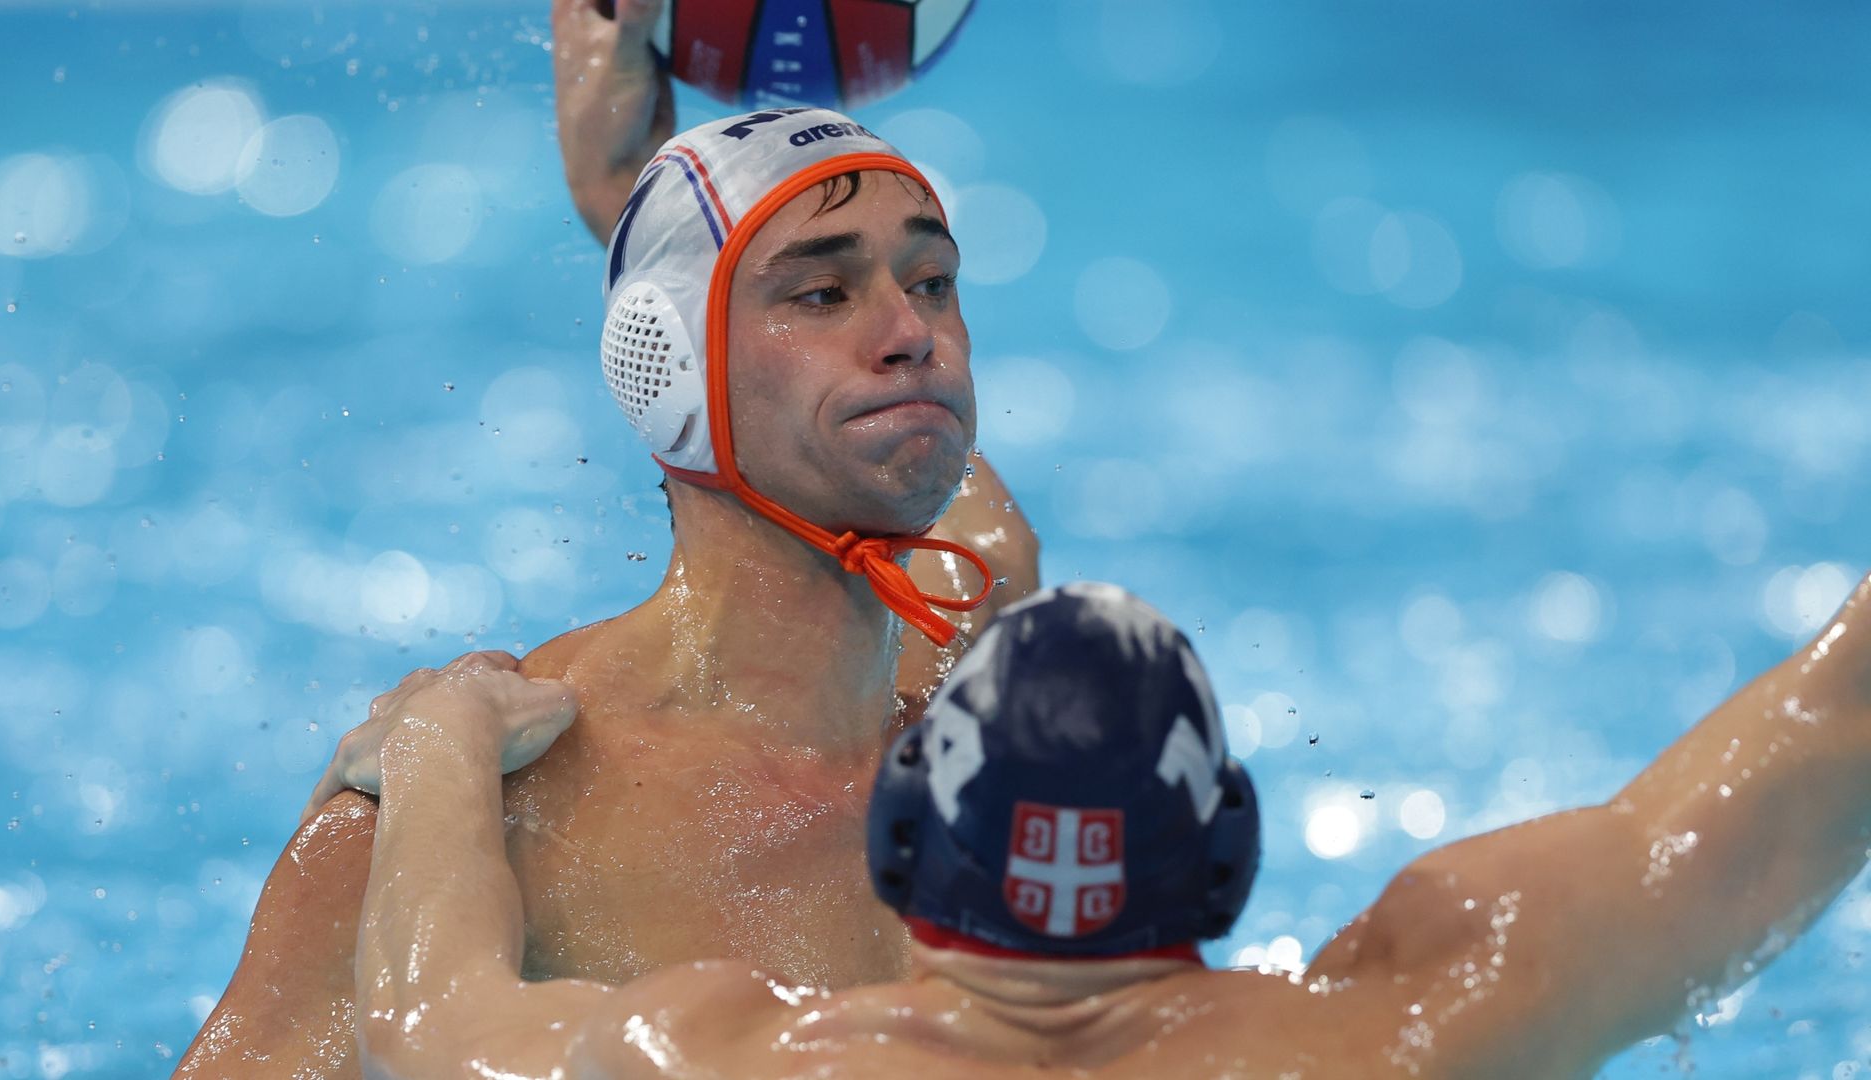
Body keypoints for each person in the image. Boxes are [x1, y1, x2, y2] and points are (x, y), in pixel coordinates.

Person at [173, 2, 1040, 1074]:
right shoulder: (469, 810)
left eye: (932, 283)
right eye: (822, 292)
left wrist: (618, 203)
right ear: (667, 367)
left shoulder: (970, 689)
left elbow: (986, 532)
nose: (912, 336)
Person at [351, 577, 1871, 1079]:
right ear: (1225, 857)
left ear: (898, 851)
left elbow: (427, 1025)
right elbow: (1826, 741)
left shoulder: (733, 1055)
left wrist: (440, 747)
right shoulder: (1423, 1026)